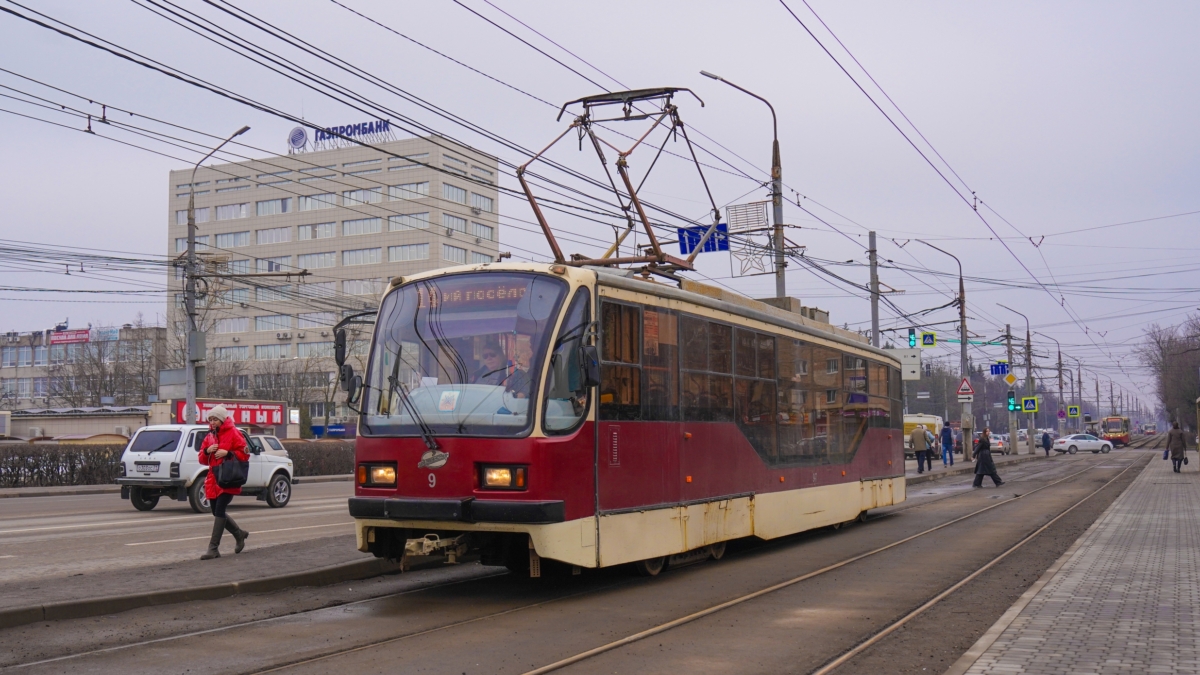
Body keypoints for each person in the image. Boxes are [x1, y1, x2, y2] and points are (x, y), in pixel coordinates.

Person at [197, 405, 250, 560]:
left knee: (219, 510)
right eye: (210, 419)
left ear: (222, 419)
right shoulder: (210, 436)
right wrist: (207, 451)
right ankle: (239, 534)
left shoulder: (234, 433)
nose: (212, 422)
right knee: (215, 511)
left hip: (228, 478)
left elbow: (245, 454)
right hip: (213, 478)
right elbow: (201, 458)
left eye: (215, 419)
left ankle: (213, 549)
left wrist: (228, 453)